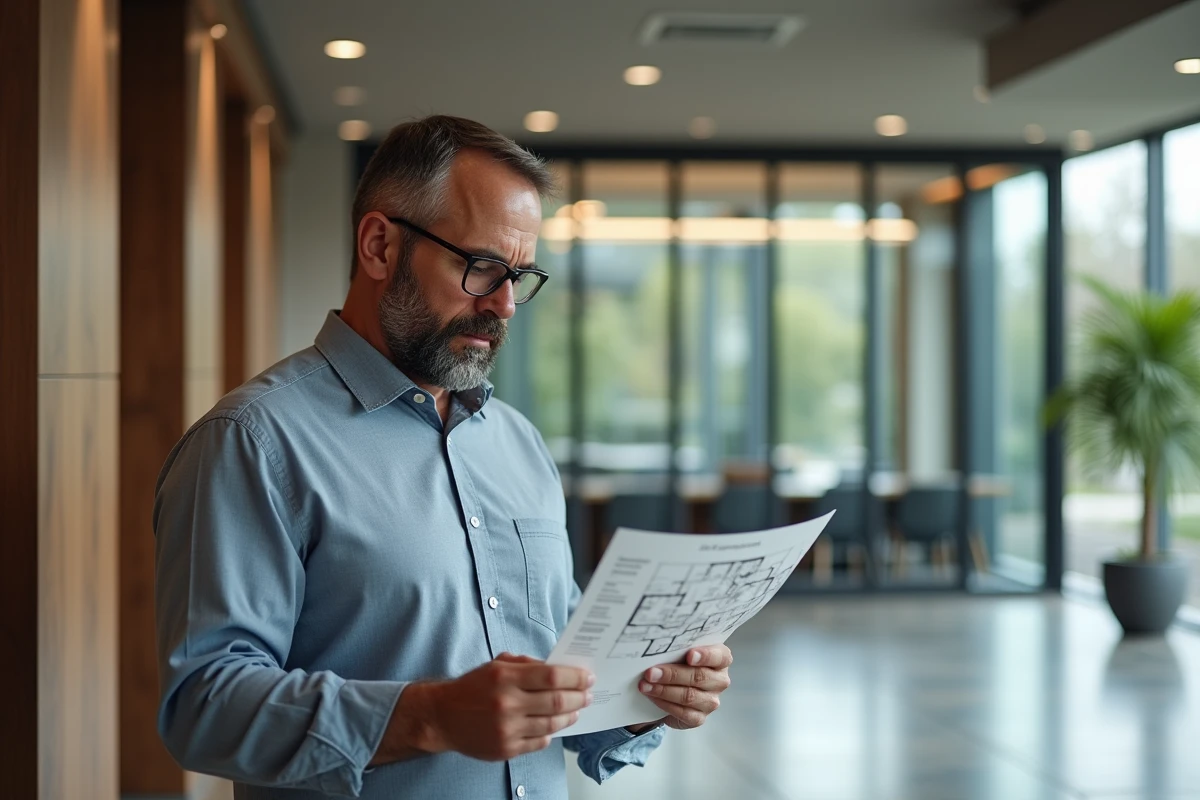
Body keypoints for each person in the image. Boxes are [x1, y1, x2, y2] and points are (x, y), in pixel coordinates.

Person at [153, 115, 734, 799]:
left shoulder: (518, 444)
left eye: (520, 276)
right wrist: (428, 717)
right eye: (484, 267)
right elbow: (202, 706)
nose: (507, 306)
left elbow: (562, 674)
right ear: (379, 246)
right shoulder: (254, 441)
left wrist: (647, 698)